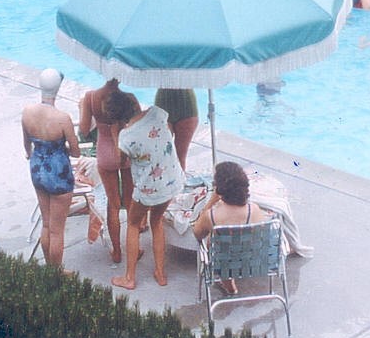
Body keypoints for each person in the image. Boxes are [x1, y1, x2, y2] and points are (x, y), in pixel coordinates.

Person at [107, 88, 183, 290]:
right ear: (133, 103)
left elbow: (121, 160)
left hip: (148, 189)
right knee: (156, 222)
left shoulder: (126, 136)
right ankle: (160, 273)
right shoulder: (157, 112)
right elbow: (167, 131)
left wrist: (115, 135)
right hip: (171, 181)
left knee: (133, 225)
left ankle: (130, 277)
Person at [20, 68, 81, 269]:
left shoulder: (27, 112)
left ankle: (49, 270)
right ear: (58, 88)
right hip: (59, 174)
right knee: (57, 231)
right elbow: (75, 152)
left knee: (46, 224)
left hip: (37, 168)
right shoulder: (63, 118)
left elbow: (27, 147)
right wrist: (59, 147)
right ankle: (56, 276)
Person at [192, 160, 272, 296]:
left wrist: (212, 201)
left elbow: (197, 234)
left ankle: (230, 285)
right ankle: (231, 281)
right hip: (254, 262)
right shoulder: (254, 210)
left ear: (219, 188)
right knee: (238, 242)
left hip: (224, 264)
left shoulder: (211, 215)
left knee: (216, 243)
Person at [78, 78, 134, 264]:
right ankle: (135, 246)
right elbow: (137, 126)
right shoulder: (129, 98)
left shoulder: (91, 97)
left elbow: (84, 130)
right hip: (124, 151)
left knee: (113, 205)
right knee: (130, 201)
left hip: (104, 152)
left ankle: (117, 251)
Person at [154, 88, 198, 172]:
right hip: (167, 103)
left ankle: (178, 184)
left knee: (180, 157)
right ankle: (168, 183)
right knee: (162, 155)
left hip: (185, 106)